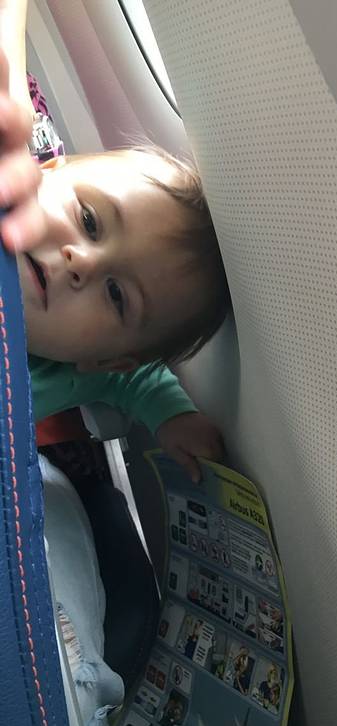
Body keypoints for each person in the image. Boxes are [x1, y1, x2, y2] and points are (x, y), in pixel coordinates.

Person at [0, 1, 226, 480]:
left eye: (117, 295)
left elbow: (141, 379)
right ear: (48, 169)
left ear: (103, 360)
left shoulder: (77, 374)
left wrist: (174, 416)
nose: (80, 262)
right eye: (88, 219)